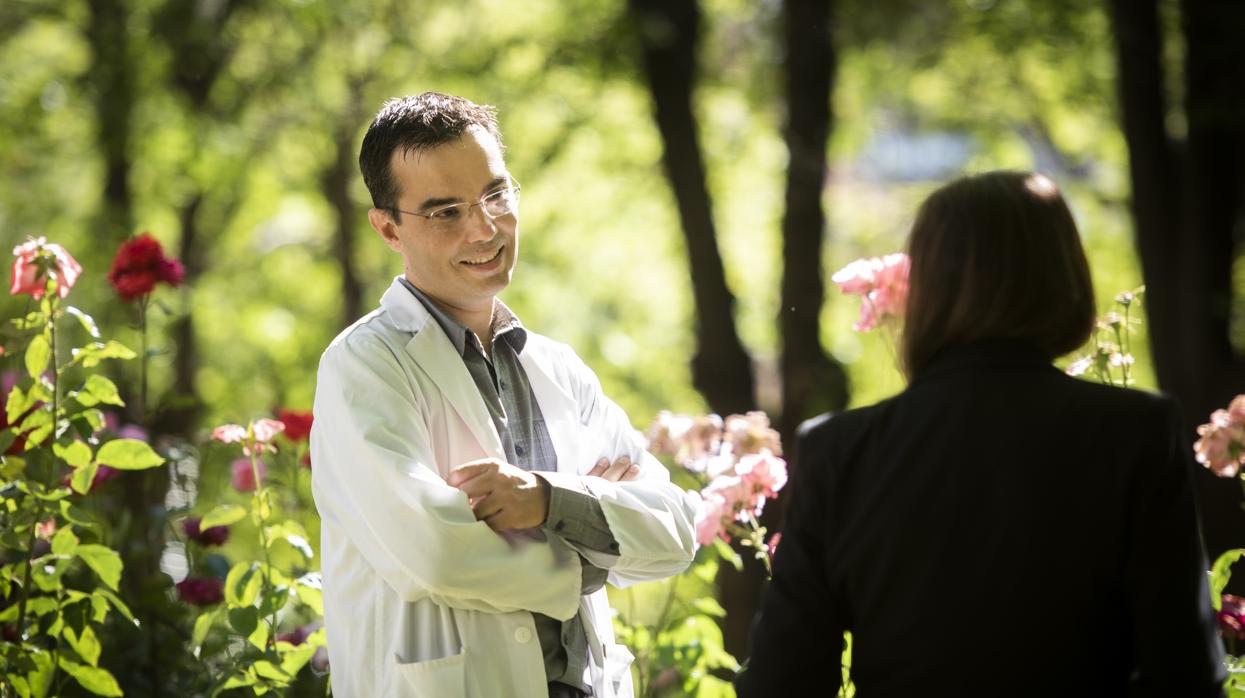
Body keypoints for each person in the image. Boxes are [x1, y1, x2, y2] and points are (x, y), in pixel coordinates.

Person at [735, 171, 1226, 697]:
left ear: (926, 292)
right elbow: (1186, 674)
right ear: (1064, 277)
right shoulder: (1135, 432)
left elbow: (782, 682)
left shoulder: (840, 449)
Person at [310, 92, 698, 698]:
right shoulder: (363, 367)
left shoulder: (559, 369)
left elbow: (675, 530)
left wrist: (546, 499)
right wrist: (597, 541)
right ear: (388, 227)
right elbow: (436, 552)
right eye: (445, 212)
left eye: (495, 194)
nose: (486, 228)